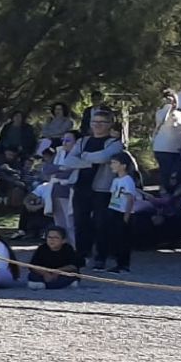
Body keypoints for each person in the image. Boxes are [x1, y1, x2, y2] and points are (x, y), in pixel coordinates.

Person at [67, 111, 123, 265]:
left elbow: (104, 157)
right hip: (81, 187)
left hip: (102, 189)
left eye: (102, 122)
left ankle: (101, 256)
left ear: (110, 124)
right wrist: (90, 161)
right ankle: (81, 255)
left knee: (101, 223)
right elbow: (69, 160)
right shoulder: (83, 141)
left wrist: (83, 157)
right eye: (95, 121)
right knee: (80, 222)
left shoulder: (114, 143)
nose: (98, 125)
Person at [100, 155, 139, 274]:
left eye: (115, 162)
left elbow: (130, 198)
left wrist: (127, 215)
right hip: (114, 209)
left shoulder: (127, 180)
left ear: (123, 165)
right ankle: (117, 263)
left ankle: (124, 265)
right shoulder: (116, 180)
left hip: (123, 212)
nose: (112, 165)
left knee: (123, 240)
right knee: (115, 238)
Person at [151, 89, 181, 197]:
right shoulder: (161, 112)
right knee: (167, 174)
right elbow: (162, 120)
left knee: (178, 174)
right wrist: (167, 107)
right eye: (170, 101)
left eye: (175, 100)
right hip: (163, 149)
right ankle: (164, 198)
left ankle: (175, 197)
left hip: (178, 149)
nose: (173, 103)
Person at [27, 226, 83, 290]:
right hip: (44, 274)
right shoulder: (42, 248)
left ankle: (50, 285)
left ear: (63, 240)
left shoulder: (68, 249)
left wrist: (57, 271)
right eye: (49, 237)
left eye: (56, 238)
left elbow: (74, 266)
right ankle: (52, 285)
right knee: (33, 276)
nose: (52, 240)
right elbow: (33, 266)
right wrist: (45, 274)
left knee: (73, 276)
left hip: (62, 274)